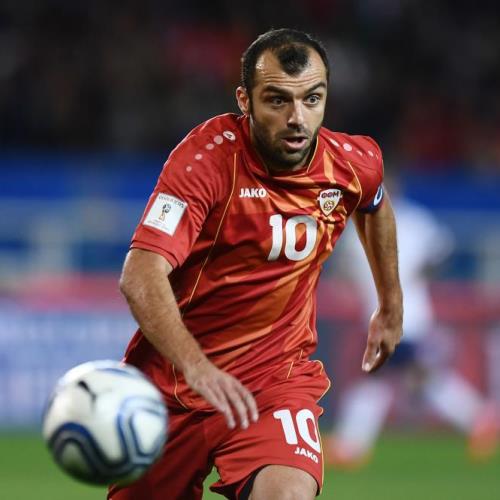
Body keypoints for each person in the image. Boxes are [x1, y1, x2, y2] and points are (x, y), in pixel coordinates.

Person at [109, 28, 403, 500]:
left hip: (274, 380)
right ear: (244, 100)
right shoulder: (206, 161)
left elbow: (375, 204)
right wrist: (197, 365)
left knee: (286, 495)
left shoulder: (352, 162)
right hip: (173, 386)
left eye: (312, 99)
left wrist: (390, 304)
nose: (297, 118)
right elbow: (140, 273)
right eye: (277, 100)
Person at [325, 182, 499, 468]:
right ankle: (479, 419)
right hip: (388, 315)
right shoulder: (364, 220)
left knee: (380, 378)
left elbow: (440, 253)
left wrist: (412, 279)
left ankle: (351, 446)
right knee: (419, 379)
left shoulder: (411, 219)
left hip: (405, 316)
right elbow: (349, 267)